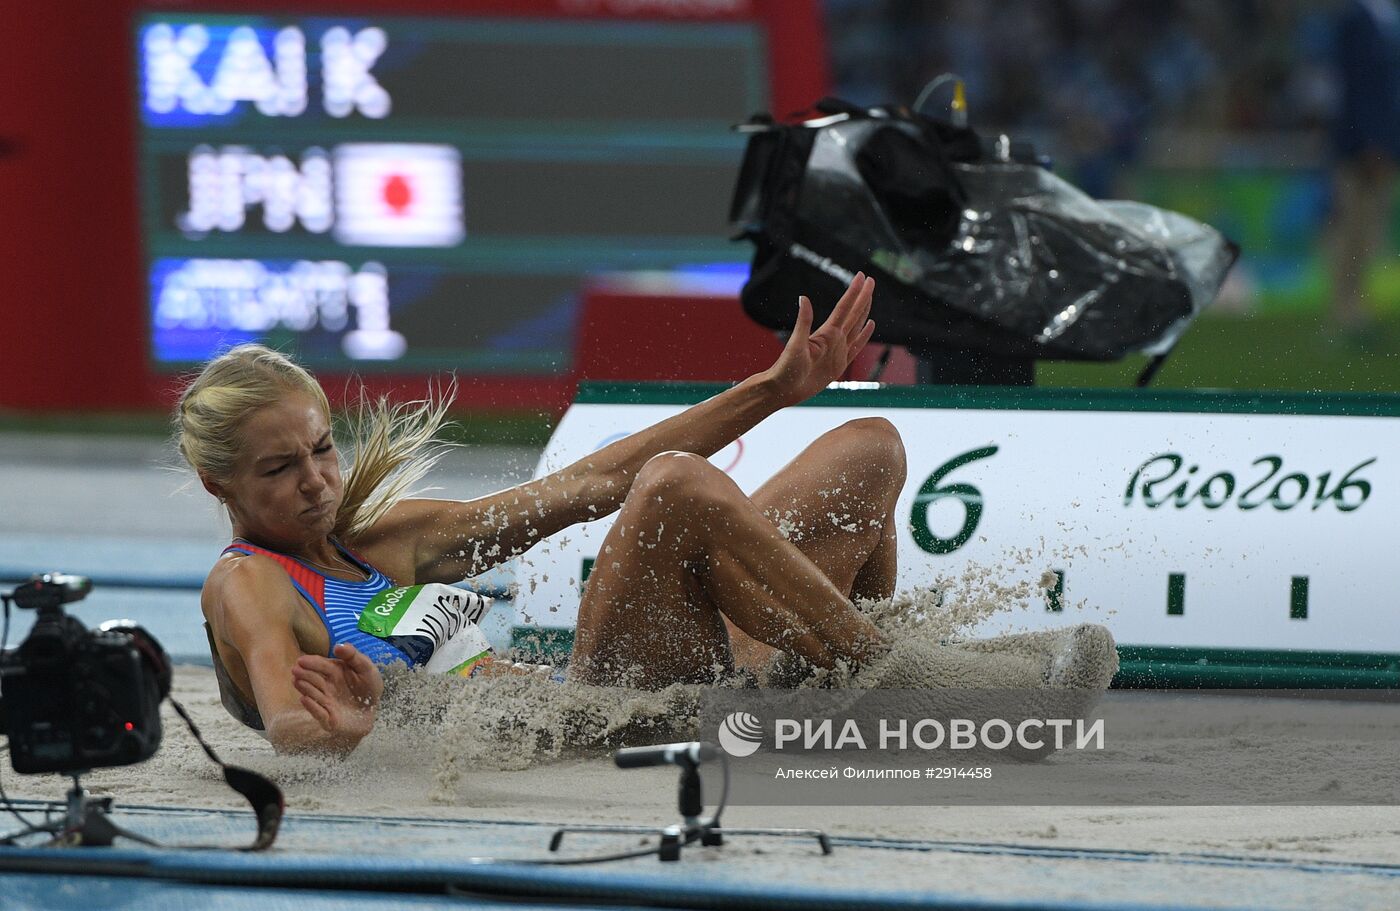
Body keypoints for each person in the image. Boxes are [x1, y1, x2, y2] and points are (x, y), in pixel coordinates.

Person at [177, 273, 1110, 756]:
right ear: (223, 489)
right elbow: (283, 711)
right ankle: (906, 676)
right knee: (671, 487)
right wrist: (338, 732)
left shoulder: (378, 538)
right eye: (278, 469)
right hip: (597, 718)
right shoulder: (250, 582)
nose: (314, 480)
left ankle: (856, 670)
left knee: (866, 446)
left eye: (321, 449)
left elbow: (588, 484)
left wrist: (774, 389)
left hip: (650, 682)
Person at [1327, 0, 1400, 342]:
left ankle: (1356, 308)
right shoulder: (1356, 20)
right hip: (1362, 147)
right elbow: (1356, 85)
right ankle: (1345, 312)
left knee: (1370, 232)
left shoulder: (1387, 18)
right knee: (1354, 230)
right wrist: (1371, 141)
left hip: (1386, 143)